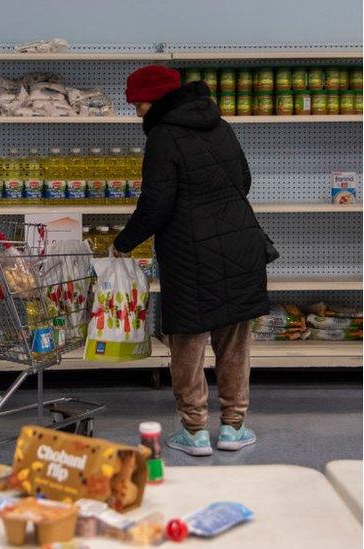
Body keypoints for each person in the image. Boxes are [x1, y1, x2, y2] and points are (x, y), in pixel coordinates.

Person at [113, 65, 270, 457]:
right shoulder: (221, 126)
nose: (136, 113)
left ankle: (195, 431)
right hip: (240, 246)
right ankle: (234, 427)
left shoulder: (163, 137)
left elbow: (155, 205)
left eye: (139, 104)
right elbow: (244, 181)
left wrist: (123, 244)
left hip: (189, 254)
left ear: (157, 101)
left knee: (188, 343)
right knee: (235, 342)